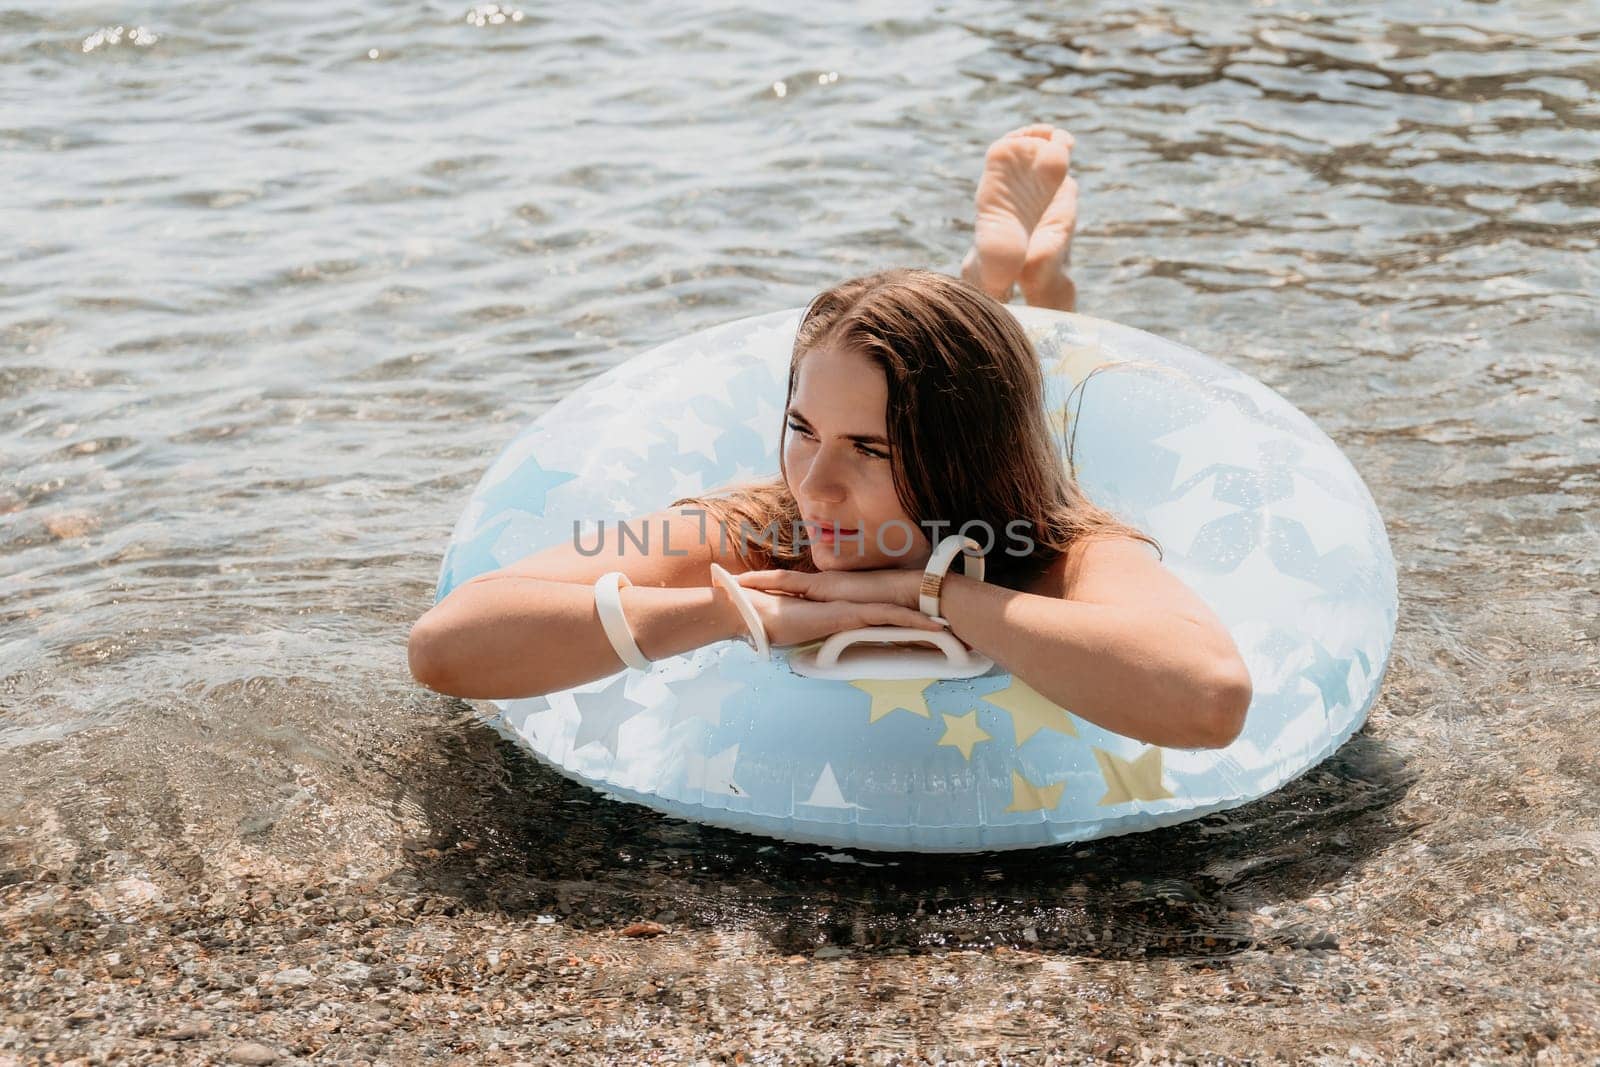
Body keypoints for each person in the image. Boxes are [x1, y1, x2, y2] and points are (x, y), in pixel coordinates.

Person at [408, 125, 1252, 750]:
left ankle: (1031, 281)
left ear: (960, 458)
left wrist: (933, 595)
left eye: (872, 448)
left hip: (1001, 500)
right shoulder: (752, 527)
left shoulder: (1055, 547)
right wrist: (734, 609)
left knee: (1048, 392)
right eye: (803, 430)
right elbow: (446, 642)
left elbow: (1210, 696)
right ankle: (992, 274)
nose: (817, 485)